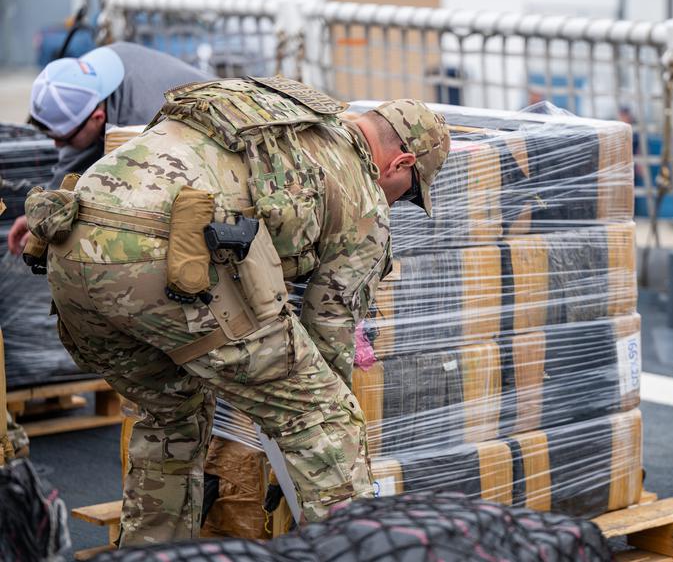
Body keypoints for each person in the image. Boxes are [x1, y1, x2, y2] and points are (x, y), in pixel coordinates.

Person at [24, 76, 449, 545]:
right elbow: (330, 330)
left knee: (172, 417)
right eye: (409, 192)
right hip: (159, 262)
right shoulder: (363, 193)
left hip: (66, 248)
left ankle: (150, 555)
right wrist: (310, 405)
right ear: (401, 162)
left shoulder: (280, 116)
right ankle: (357, 554)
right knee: (324, 419)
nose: (399, 202)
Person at [8, 42, 213, 255]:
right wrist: (44, 211)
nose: (57, 145)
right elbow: (74, 160)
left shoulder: (146, 127)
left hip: (214, 145)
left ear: (97, 118)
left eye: (65, 139)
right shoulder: (88, 75)